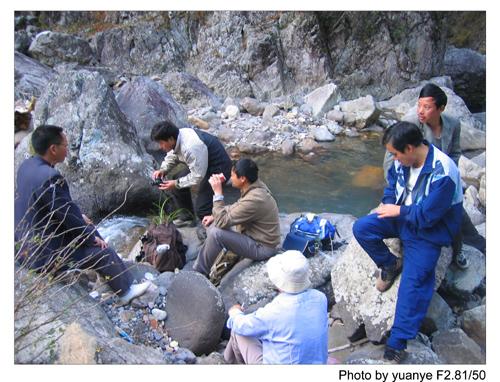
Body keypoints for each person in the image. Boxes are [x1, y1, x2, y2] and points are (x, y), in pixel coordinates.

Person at [353, 121, 463, 363]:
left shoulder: (443, 171)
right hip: (404, 217)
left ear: (410, 148)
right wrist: (387, 206)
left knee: (414, 284)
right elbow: (392, 187)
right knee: (361, 227)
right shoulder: (401, 163)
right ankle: (390, 263)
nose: (392, 159)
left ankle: (398, 341)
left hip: (429, 230)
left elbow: (427, 216)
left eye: (395, 153)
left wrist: (397, 212)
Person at [15, 125, 150, 305]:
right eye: (65, 146)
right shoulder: (50, 177)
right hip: (42, 255)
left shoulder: (27, 166)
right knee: (101, 251)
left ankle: (116, 273)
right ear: (53, 149)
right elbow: (67, 218)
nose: (67, 150)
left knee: (86, 223)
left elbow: (60, 208)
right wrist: (91, 237)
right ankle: (126, 291)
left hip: (23, 244)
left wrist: (81, 218)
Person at [382, 83, 483, 269]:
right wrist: (400, 190)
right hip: (413, 181)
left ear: (441, 108)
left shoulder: (453, 124)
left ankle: (463, 248)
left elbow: (455, 152)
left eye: (427, 107)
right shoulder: (412, 123)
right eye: (419, 105)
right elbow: (391, 159)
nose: (420, 111)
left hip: (440, 178)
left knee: (456, 211)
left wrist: (449, 176)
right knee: (435, 214)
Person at [223, 250, 328, 364]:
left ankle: (225, 362)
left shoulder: (276, 311)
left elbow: (241, 326)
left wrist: (235, 313)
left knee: (237, 331)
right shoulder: (320, 298)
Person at [192, 158, 281, 277]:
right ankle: (216, 257)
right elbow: (240, 205)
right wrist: (214, 216)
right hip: (252, 236)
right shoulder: (255, 187)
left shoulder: (255, 198)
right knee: (213, 224)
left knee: (215, 233)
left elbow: (222, 222)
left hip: (262, 247)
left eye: (233, 175)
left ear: (243, 178)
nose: (230, 178)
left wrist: (218, 193)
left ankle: (198, 274)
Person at [150, 121, 232, 227]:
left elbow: (197, 176)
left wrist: (176, 183)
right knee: (176, 178)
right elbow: (173, 154)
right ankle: (187, 217)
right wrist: (163, 170)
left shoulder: (191, 146)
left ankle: (211, 230)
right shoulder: (177, 136)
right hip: (203, 162)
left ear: (170, 139)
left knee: (202, 209)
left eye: (161, 143)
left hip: (218, 167)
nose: (160, 147)